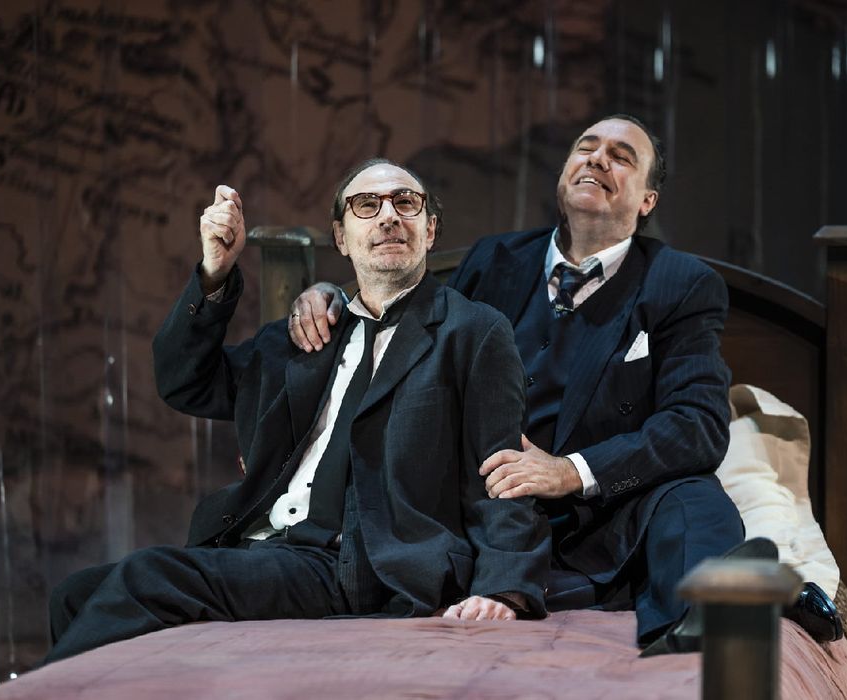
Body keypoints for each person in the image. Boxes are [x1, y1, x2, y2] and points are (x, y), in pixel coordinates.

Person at [43, 159, 549, 664]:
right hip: (259, 546)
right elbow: (185, 383)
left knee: (148, 575)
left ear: (430, 230)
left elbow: (502, 473)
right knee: (75, 593)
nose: (388, 215)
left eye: (405, 202)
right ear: (341, 237)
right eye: (366, 205)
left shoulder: (472, 330)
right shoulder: (306, 334)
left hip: (359, 562)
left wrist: (504, 588)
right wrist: (215, 273)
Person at [289, 115, 745, 653]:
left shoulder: (682, 284)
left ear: (648, 200)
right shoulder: (494, 260)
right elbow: (401, 316)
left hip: (608, 518)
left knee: (696, 498)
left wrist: (570, 472)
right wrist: (332, 296)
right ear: (563, 174)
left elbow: (697, 425)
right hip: (484, 511)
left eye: (621, 156)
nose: (598, 159)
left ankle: (699, 627)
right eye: (586, 148)